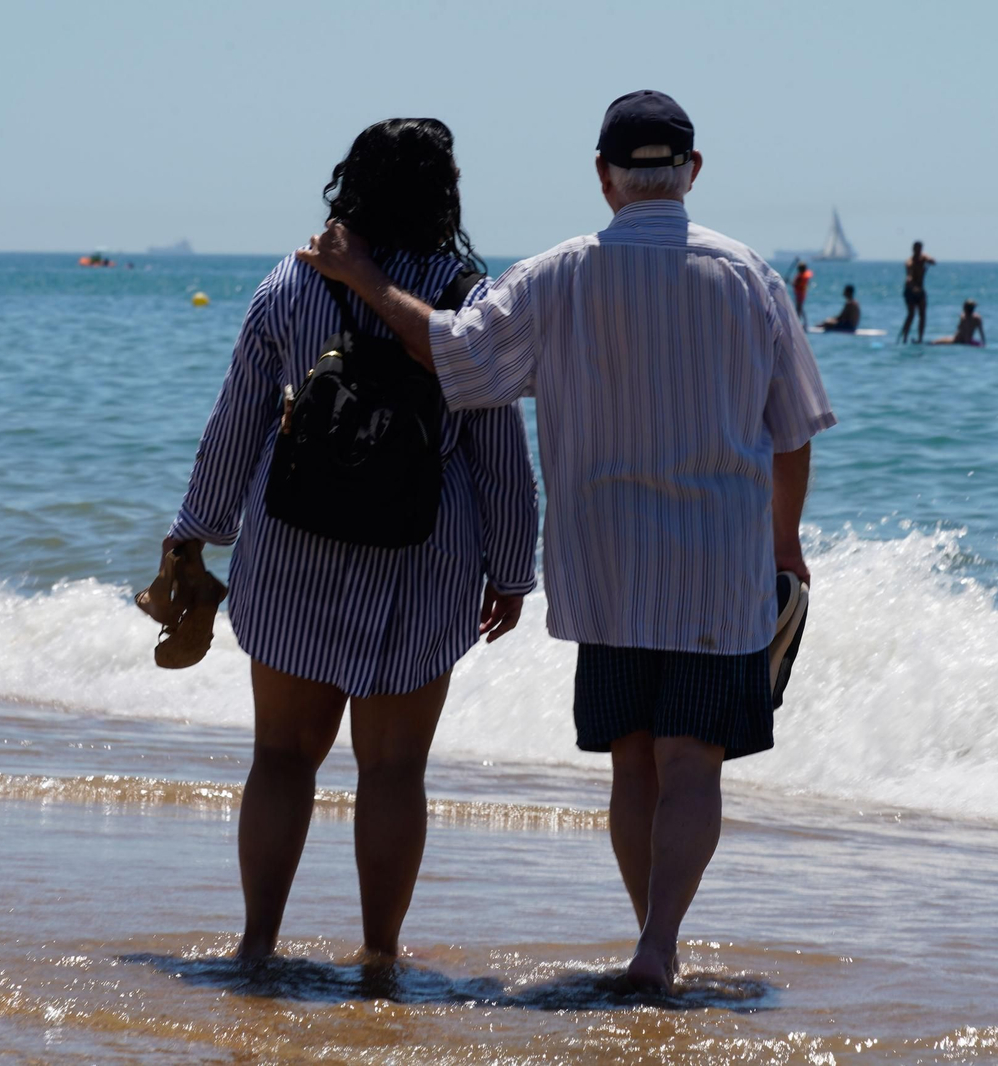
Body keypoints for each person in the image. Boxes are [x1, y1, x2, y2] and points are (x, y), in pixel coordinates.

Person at [298, 90, 835, 992]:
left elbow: (458, 355)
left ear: (603, 177)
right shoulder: (750, 276)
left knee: (632, 758)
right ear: (693, 173)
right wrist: (786, 546)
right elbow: (793, 430)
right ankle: (659, 944)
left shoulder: (558, 273)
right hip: (717, 562)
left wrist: (363, 281)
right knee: (692, 760)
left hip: (606, 561)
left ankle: (650, 941)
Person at [160, 118, 539, 962]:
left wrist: (197, 533)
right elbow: (497, 452)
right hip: (421, 555)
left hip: (293, 545)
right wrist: (513, 567)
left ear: (350, 185)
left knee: (281, 759)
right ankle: (378, 956)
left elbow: (235, 425)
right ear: (445, 192)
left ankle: (256, 944)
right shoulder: (464, 298)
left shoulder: (291, 285)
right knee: (395, 771)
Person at [896, 240, 935, 344]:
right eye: (916, 249)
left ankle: (920, 339)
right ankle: (904, 338)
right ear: (913, 249)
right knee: (911, 314)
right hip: (910, 291)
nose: (918, 251)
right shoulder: (909, 262)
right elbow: (909, 277)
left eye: (920, 249)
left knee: (923, 315)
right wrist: (912, 286)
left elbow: (933, 261)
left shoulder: (923, 258)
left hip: (921, 290)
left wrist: (929, 260)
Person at [790, 259, 813, 327]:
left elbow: (796, 284)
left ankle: (801, 323)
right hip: (801, 293)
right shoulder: (802, 276)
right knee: (799, 308)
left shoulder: (801, 277)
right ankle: (801, 322)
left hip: (800, 294)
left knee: (799, 308)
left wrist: (789, 281)